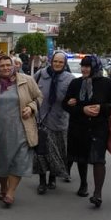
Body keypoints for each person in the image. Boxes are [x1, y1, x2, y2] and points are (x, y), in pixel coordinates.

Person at [0, 55, 43, 207]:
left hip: (21, 128)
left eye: (8, 65)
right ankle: (3, 187)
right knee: (1, 162)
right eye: (2, 66)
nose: (6, 68)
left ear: (14, 66)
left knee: (19, 161)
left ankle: (11, 192)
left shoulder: (27, 80)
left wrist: (31, 107)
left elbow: (39, 97)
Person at [63, 55, 111, 207]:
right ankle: (83, 184)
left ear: (94, 67)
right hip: (79, 127)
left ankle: (98, 194)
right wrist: (81, 109)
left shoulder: (106, 83)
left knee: (98, 159)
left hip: (99, 128)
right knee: (81, 157)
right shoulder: (76, 83)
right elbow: (65, 105)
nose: (84, 69)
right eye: (83, 66)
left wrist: (101, 108)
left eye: (87, 66)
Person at [33, 51, 75, 194]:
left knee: (57, 152)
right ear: (51, 61)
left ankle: (52, 177)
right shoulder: (40, 75)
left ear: (65, 64)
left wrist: (72, 101)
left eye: (60, 62)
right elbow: (30, 91)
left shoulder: (69, 79)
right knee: (41, 153)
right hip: (41, 120)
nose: (57, 64)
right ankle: (42, 181)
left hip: (60, 121)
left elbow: (74, 98)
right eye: (55, 61)